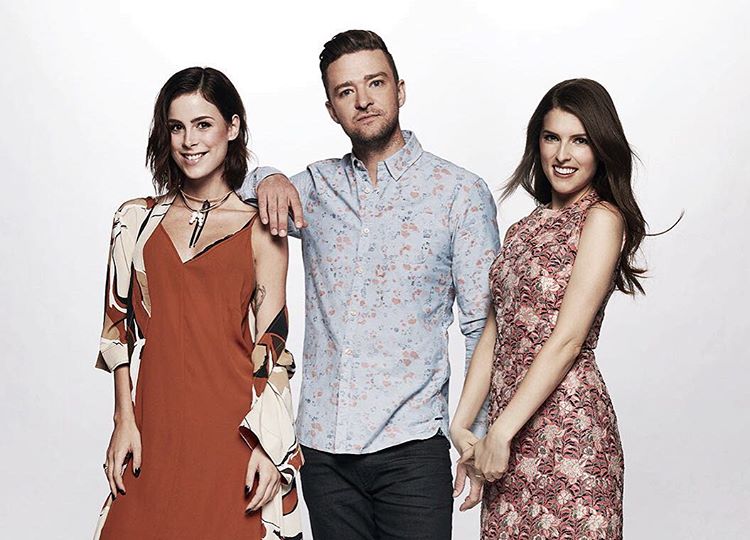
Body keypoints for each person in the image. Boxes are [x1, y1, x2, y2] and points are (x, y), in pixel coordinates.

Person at [240, 30, 500, 540]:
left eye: (375, 83)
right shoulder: (313, 189)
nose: (363, 100)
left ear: (400, 90)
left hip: (412, 447)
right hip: (323, 451)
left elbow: (482, 327)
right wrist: (267, 175)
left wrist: (477, 436)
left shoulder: (459, 193)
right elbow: (232, 193)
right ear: (331, 109)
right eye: (346, 91)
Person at [93, 67, 302, 540]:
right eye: (177, 127)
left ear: (233, 127)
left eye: (203, 124)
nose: (189, 141)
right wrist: (123, 419)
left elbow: (273, 346)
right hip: (153, 427)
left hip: (234, 432)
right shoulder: (134, 221)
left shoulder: (262, 229)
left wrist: (269, 445)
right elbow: (117, 328)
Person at [450, 78, 649, 539]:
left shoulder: (602, 218)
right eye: (551, 137)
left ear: (601, 148)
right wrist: (463, 424)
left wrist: (500, 432)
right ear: (536, 142)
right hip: (507, 436)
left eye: (580, 140)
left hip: (568, 431)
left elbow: (569, 340)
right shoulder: (522, 228)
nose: (563, 154)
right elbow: (496, 331)